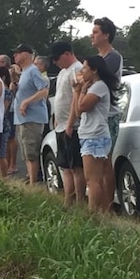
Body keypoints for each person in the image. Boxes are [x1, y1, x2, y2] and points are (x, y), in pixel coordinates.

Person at [74, 55, 118, 212]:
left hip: (94, 136)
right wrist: (79, 90)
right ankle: (105, 211)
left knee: (92, 180)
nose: (82, 71)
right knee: (100, 177)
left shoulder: (98, 86)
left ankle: (93, 213)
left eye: (85, 68)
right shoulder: (96, 86)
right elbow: (78, 112)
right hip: (93, 135)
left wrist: (82, 89)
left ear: (94, 70)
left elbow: (82, 107)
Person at [91, 16, 124, 211]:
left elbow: (97, 79)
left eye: (95, 32)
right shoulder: (99, 59)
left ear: (106, 35)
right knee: (97, 162)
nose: (91, 36)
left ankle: (108, 204)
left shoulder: (113, 57)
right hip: (97, 116)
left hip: (109, 115)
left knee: (105, 161)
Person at [50, 41, 85, 206]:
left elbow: (75, 99)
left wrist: (70, 123)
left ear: (67, 54)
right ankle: (67, 200)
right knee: (65, 166)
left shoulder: (77, 69)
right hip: (61, 124)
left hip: (72, 126)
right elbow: (60, 96)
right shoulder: (63, 72)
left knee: (76, 167)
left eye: (57, 58)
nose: (55, 62)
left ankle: (78, 201)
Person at [12, 44, 49, 185]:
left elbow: (44, 91)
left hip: (32, 118)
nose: (14, 56)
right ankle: (31, 178)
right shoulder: (25, 72)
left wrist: (26, 102)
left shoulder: (33, 71)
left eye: (17, 53)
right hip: (23, 118)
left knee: (31, 152)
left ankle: (34, 183)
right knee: (26, 153)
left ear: (26, 54)